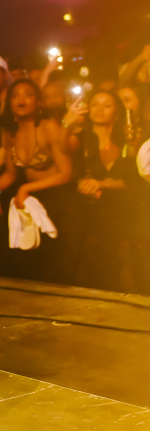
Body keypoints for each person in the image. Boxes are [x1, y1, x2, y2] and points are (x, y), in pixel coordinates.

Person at [0, 79, 71, 280]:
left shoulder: (49, 127)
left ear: (38, 102)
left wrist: (25, 189)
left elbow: (65, 174)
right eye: (15, 95)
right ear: (9, 103)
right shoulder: (10, 132)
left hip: (58, 195)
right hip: (30, 195)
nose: (21, 99)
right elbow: (10, 174)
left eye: (28, 94)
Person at [63, 89, 139, 290]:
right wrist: (66, 124)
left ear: (117, 112)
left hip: (120, 213)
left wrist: (102, 183)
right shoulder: (81, 138)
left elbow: (133, 180)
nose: (99, 109)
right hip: (87, 214)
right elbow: (62, 150)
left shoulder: (126, 139)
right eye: (95, 104)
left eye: (107, 105)